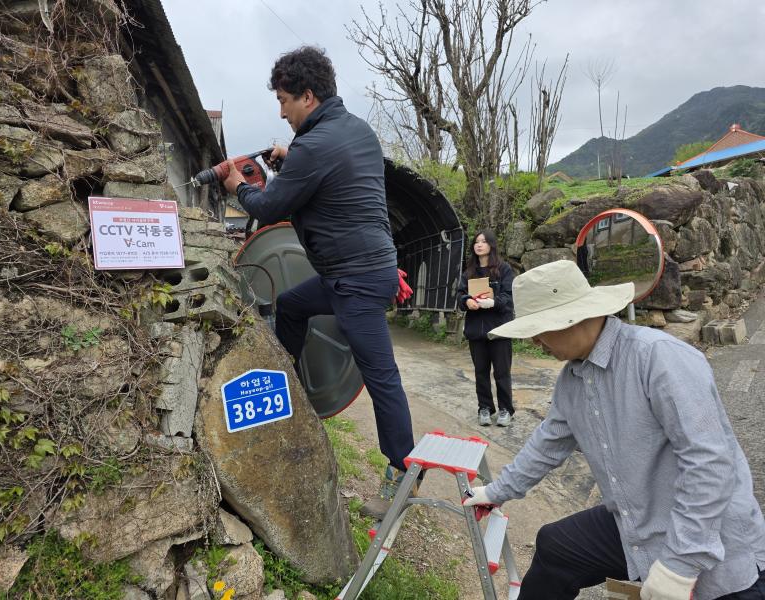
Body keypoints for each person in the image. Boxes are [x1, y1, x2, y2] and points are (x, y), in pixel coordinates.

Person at [463, 260, 765, 599]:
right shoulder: (572, 379)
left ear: (572, 318)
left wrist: (680, 565)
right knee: (556, 546)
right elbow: (546, 445)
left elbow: (711, 463)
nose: (534, 342)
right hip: (639, 519)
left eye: (538, 330)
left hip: (711, 536)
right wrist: (496, 491)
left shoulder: (657, 357)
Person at [222, 46, 415, 518]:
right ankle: (290, 391)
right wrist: (292, 158)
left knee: (381, 376)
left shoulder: (316, 144)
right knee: (290, 304)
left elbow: (269, 208)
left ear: (308, 96)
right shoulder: (356, 131)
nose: (282, 112)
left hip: (357, 278)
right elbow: (331, 178)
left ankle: (402, 473)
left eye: (285, 101)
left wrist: (237, 187)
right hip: (358, 270)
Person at [456, 230, 515, 427]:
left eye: (483, 241)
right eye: (476, 242)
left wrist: (493, 302)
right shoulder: (469, 272)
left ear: (491, 245)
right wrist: (466, 301)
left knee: (502, 372)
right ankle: (485, 408)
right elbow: (460, 296)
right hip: (476, 330)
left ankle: (506, 409)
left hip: (499, 330)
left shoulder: (503, 269)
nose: (479, 245)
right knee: (480, 372)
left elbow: (509, 296)